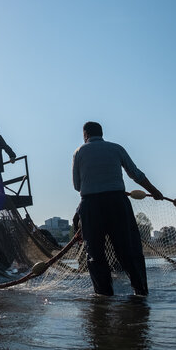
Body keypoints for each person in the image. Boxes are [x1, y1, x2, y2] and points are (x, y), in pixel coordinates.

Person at [72, 121, 163, 296]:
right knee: (128, 249)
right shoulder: (116, 148)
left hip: (91, 205)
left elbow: (77, 185)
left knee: (95, 254)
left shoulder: (79, 152)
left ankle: (103, 296)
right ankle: (140, 291)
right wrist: (154, 191)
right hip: (117, 202)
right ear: (101, 133)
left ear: (85, 135)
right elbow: (136, 174)